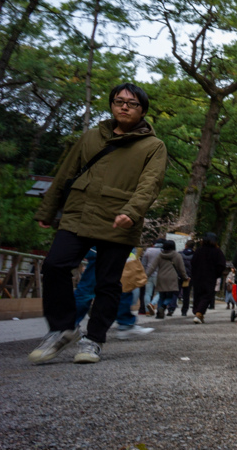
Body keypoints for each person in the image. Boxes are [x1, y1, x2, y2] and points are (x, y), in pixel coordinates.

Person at [28, 82, 167, 364]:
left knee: (107, 283)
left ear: (142, 110)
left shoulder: (153, 146)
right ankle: (62, 327)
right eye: (119, 101)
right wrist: (48, 209)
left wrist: (133, 210)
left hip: (119, 220)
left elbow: (150, 184)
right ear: (111, 105)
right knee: (55, 265)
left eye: (132, 103)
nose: (124, 106)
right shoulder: (92, 137)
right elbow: (66, 172)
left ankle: (93, 340)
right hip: (78, 213)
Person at [190, 232, 228, 323]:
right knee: (207, 295)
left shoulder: (199, 250)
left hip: (198, 276)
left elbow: (193, 262)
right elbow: (221, 265)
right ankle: (199, 312)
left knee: (197, 294)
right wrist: (217, 273)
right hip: (210, 277)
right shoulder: (217, 252)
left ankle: (197, 312)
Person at [144, 239, 187, 318]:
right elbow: (182, 268)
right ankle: (163, 307)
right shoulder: (177, 255)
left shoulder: (160, 255)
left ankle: (159, 314)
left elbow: (152, 267)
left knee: (161, 296)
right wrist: (185, 277)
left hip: (161, 277)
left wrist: (146, 276)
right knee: (170, 296)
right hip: (172, 278)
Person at [141, 239, 163, 315]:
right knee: (159, 292)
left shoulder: (148, 250)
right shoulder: (162, 251)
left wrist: (144, 273)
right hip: (158, 274)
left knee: (147, 293)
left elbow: (143, 263)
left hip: (148, 274)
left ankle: (147, 310)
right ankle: (152, 304)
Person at [179, 240, 194, 316]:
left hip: (179, 275)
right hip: (190, 277)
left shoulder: (180, 254)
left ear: (186, 245)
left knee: (176, 291)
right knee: (186, 294)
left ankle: (170, 308)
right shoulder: (195, 255)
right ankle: (184, 310)